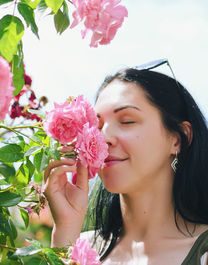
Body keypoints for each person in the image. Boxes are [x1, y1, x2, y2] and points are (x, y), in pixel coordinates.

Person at [43, 63, 208, 264]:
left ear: (178, 139)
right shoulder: (82, 250)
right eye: (98, 125)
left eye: (127, 121)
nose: (103, 138)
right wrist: (65, 229)